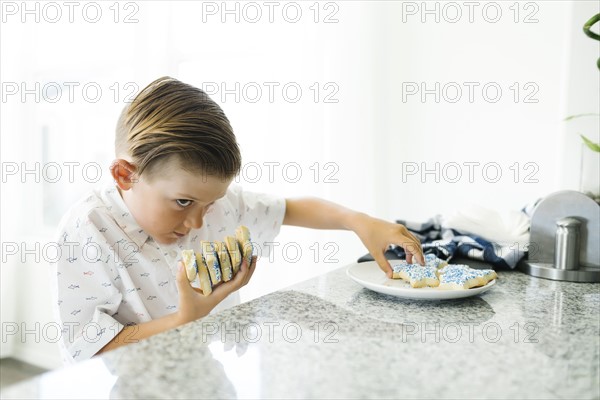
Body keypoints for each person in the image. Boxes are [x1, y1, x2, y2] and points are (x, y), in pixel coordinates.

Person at [52, 76, 424, 364]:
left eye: (210, 203)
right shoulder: (88, 230)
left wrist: (358, 221)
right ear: (124, 175)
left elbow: (290, 208)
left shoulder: (216, 205)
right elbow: (91, 349)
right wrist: (186, 318)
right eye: (183, 201)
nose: (198, 222)